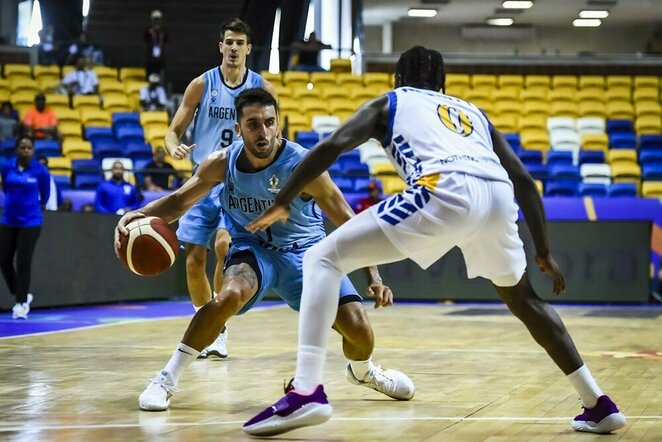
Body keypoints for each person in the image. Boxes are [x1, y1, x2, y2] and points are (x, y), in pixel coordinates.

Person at [243, 46, 627, 436]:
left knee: (322, 258)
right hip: (497, 197)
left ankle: (307, 391)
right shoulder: (471, 111)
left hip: (442, 187)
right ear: (443, 85)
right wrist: (543, 251)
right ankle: (598, 404)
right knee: (524, 298)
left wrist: (282, 199)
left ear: (396, 80)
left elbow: (331, 146)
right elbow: (525, 182)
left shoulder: (390, 102)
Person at [114, 88, 413, 412]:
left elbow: (347, 220)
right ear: (239, 128)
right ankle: (166, 378)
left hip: (308, 253)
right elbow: (178, 202)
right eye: (254, 124)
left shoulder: (303, 164)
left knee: (358, 328)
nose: (264, 132)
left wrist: (374, 276)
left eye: (270, 123)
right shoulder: (221, 163)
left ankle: (363, 371)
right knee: (228, 296)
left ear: (279, 124)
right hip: (254, 249)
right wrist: (140, 214)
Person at [163, 18, 277, 358]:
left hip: (239, 178)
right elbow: (173, 131)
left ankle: (218, 324)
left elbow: (275, 137)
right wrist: (174, 148)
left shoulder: (262, 88)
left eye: (239, 43)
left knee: (224, 246)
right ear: (220, 46)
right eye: (228, 42)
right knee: (194, 258)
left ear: (248, 49)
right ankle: (213, 327)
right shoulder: (202, 84)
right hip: (203, 177)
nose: (233, 48)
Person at [0, 137, 50, 319]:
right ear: (17, 150)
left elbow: (45, 195)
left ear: (33, 151)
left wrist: (35, 207)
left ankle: (21, 303)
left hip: (31, 222)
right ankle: (20, 291)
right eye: (23, 147)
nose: (26, 150)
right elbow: (5, 187)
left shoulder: (40, 171)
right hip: (9, 220)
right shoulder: (7, 167)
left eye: (29, 147)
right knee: (3, 259)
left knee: (23, 262)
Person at [145, 10, 167, 77]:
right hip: (150, 59)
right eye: (155, 19)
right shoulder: (148, 31)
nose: (156, 21)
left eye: (158, 19)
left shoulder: (163, 32)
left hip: (160, 59)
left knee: (160, 78)